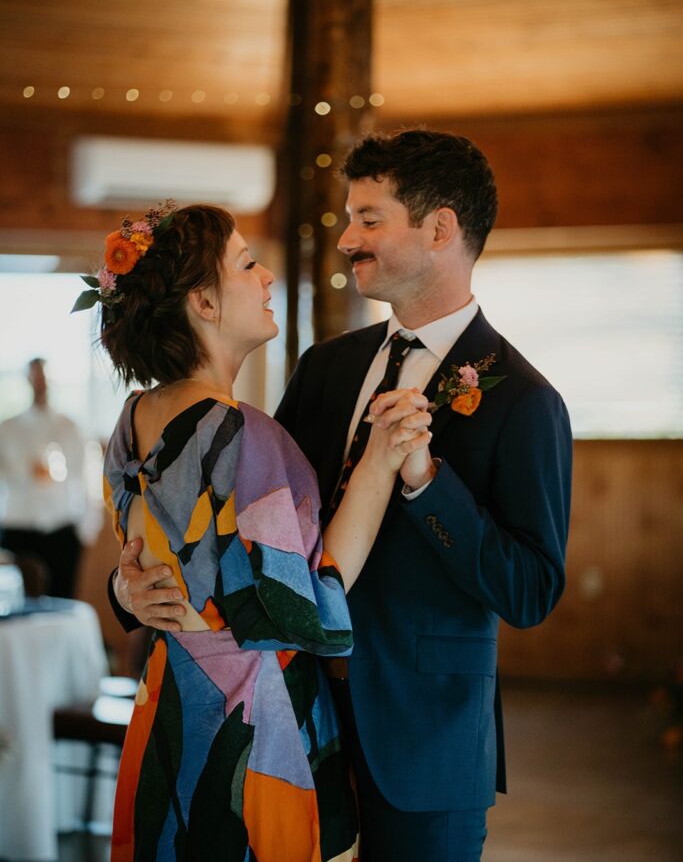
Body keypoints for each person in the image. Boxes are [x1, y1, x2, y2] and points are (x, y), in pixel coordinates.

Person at [111, 131, 572, 862]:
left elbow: (530, 591)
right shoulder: (326, 367)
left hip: (421, 745)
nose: (345, 240)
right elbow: (241, 529)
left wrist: (423, 482)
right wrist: (127, 586)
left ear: (439, 229)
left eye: (367, 218)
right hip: (285, 721)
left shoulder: (524, 401)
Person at [89, 201, 432, 862]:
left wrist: (125, 593)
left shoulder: (130, 421)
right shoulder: (241, 433)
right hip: (246, 721)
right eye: (247, 264)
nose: (268, 275)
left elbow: (153, 569)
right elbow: (308, 603)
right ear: (204, 305)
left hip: (166, 702)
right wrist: (383, 459)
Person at [0, 357, 98, 598]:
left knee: (61, 599)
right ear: (28, 380)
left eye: (44, 377)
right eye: (36, 377)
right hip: (18, 528)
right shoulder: (8, 429)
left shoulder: (70, 427)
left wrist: (87, 529)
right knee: (16, 602)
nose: (41, 383)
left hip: (61, 528)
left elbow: (88, 478)